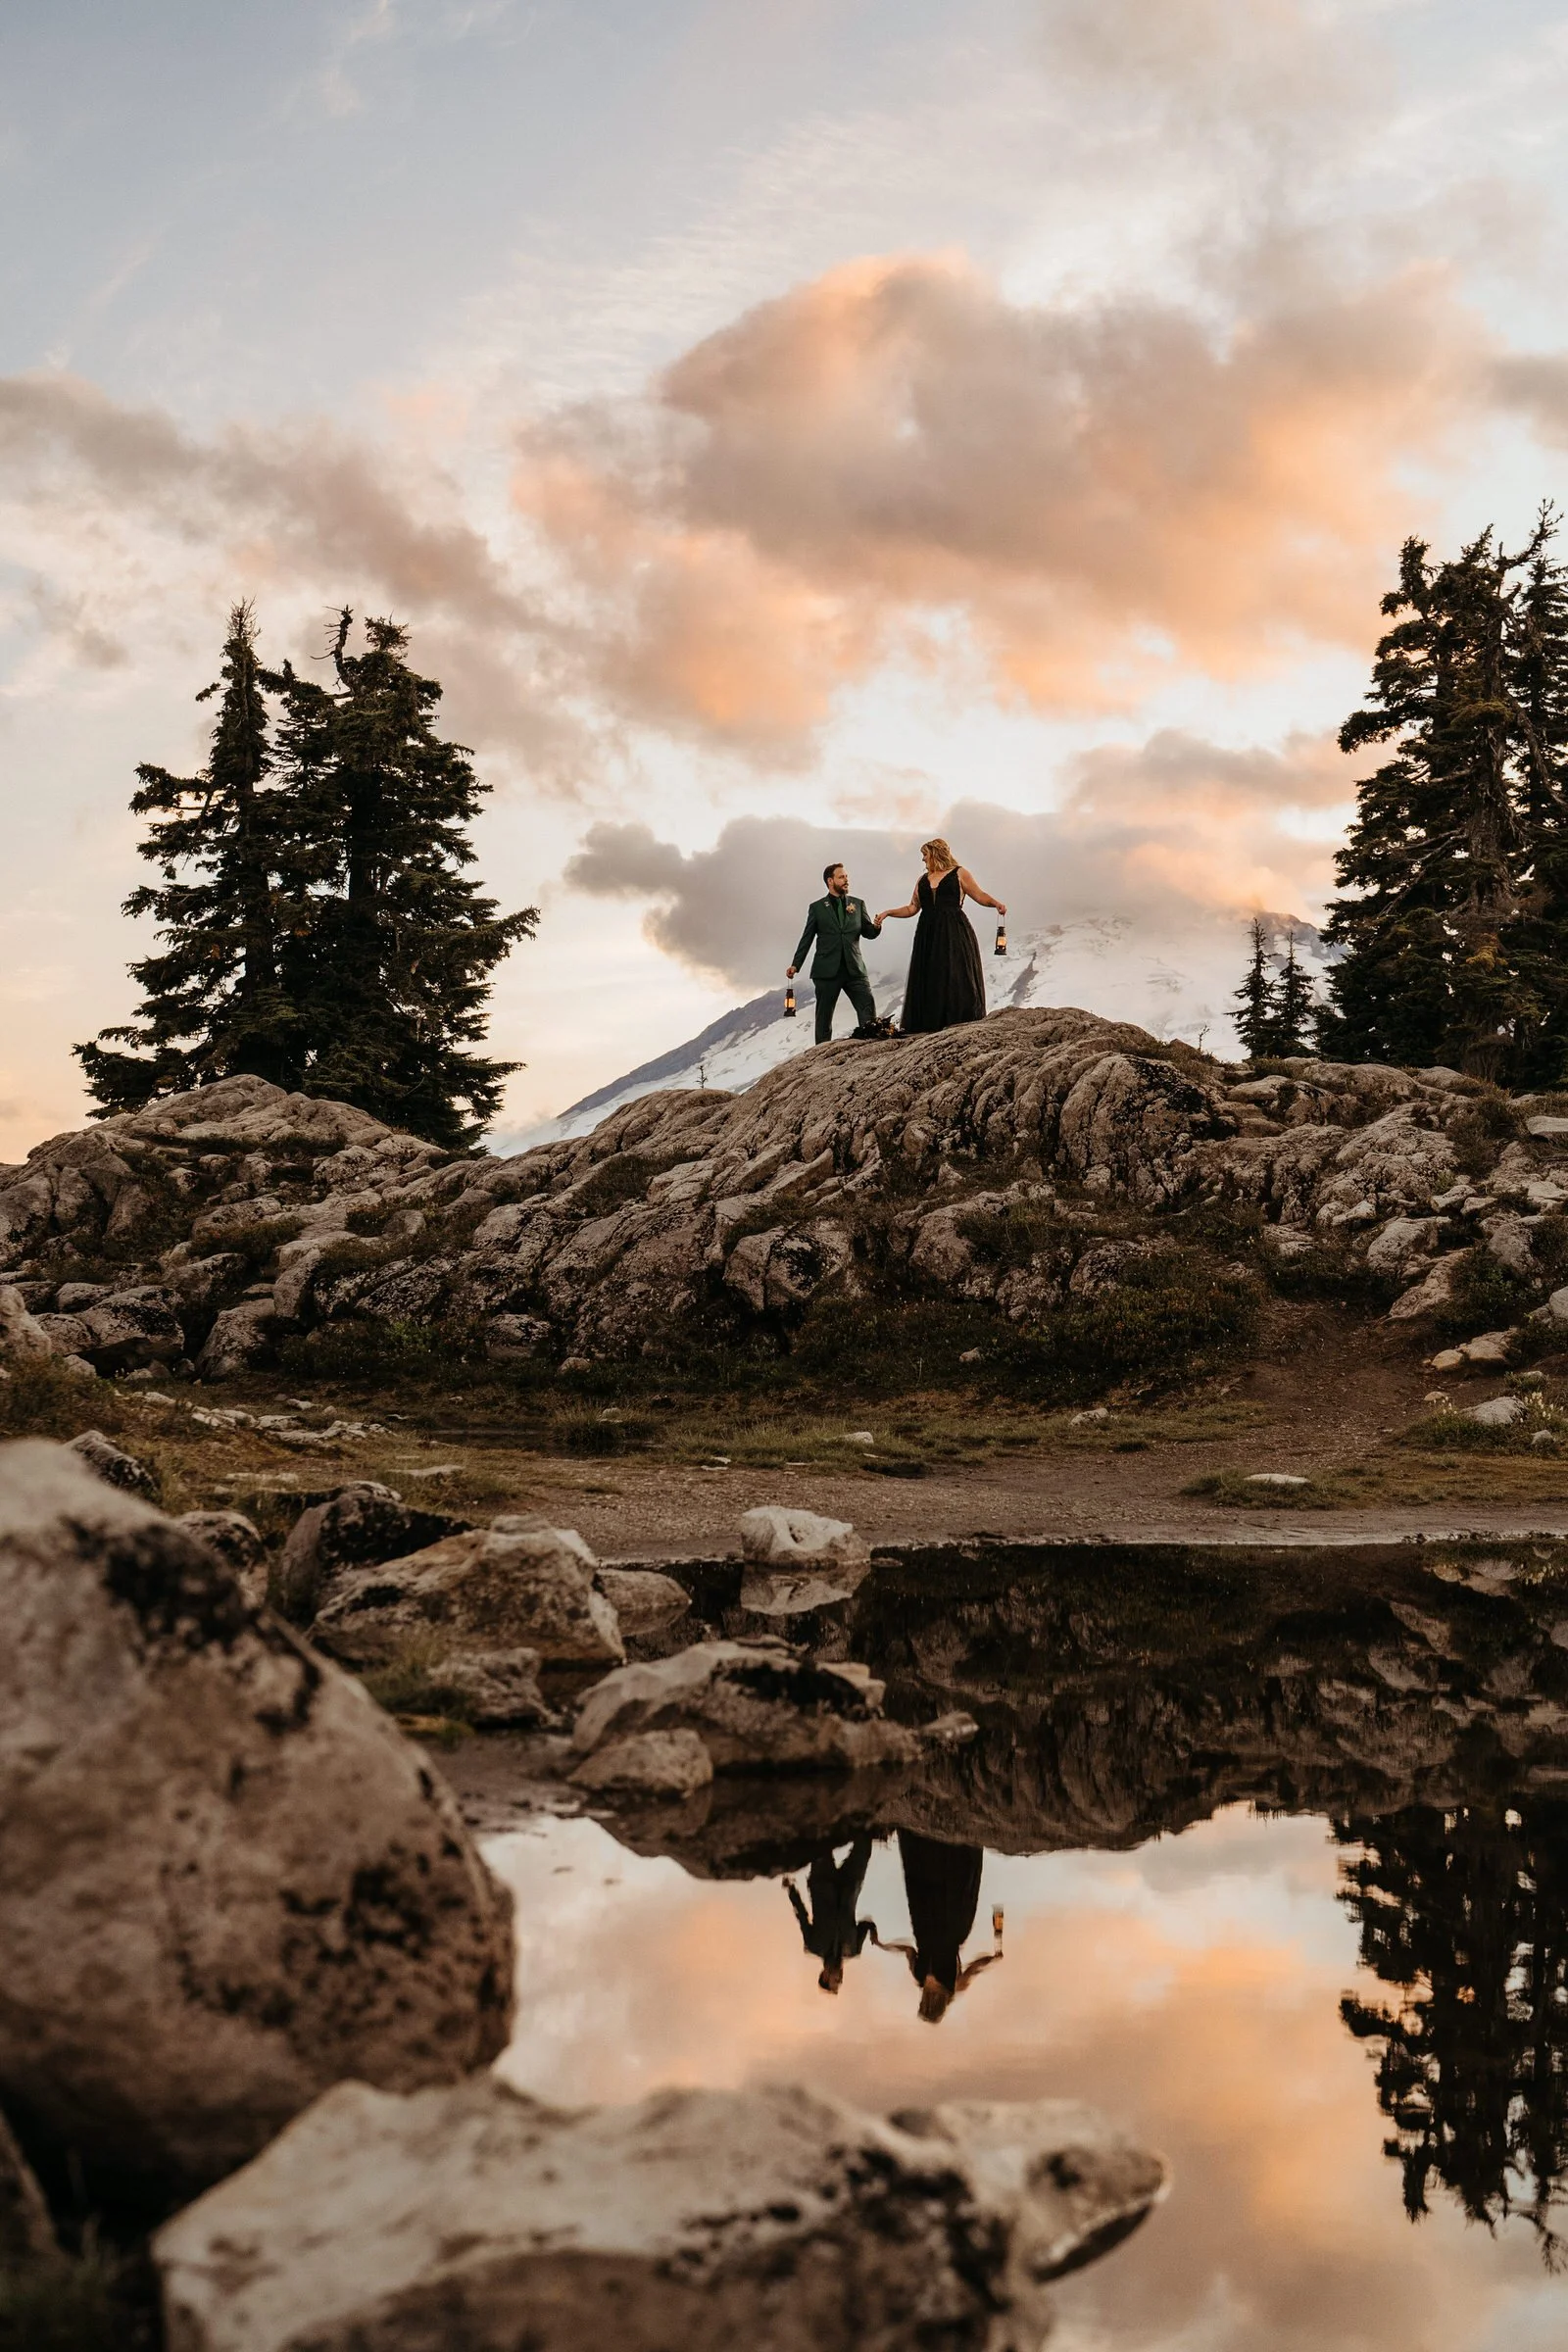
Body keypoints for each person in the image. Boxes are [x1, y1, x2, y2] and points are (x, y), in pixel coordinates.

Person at [874, 838, 1005, 1035]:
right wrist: (888, 913)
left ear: (935, 853)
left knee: (954, 972)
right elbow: (912, 908)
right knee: (930, 973)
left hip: (954, 931)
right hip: (928, 932)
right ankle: (930, 1024)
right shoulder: (922, 880)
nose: (923, 860)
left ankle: (958, 1019)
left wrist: (995, 903)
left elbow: (979, 895)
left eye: (925, 855)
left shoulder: (960, 873)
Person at [874, 1831, 1003, 2025]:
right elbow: (908, 1950)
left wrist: (993, 1958)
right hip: (928, 1923)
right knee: (928, 1880)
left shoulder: (950, 1986)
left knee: (953, 1881)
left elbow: (975, 1968)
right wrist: (882, 1945)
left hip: (946, 1925)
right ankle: (935, 1838)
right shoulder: (930, 1980)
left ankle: (951, 1840)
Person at [788, 862, 883, 1044]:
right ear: (830, 881)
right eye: (842, 877)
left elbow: (868, 933)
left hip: (854, 969)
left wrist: (877, 926)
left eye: (847, 876)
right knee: (824, 1018)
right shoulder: (816, 908)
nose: (846, 880)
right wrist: (796, 964)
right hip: (826, 971)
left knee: (868, 1010)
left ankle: (871, 1048)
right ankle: (821, 1058)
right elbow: (806, 937)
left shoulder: (858, 904)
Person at [784, 1837, 877, 1995]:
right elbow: (865, 1924)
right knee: (864, 1847)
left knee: (821, 1840)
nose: (840, 1978)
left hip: (822, 1881)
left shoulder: (813, 1946)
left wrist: (791, 1890)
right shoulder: (853, 1950)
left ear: (825, 1976)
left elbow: (802, 1917)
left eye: (836, 1981)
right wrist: (874, 1934)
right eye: (840, 1982)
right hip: (850, 1884)